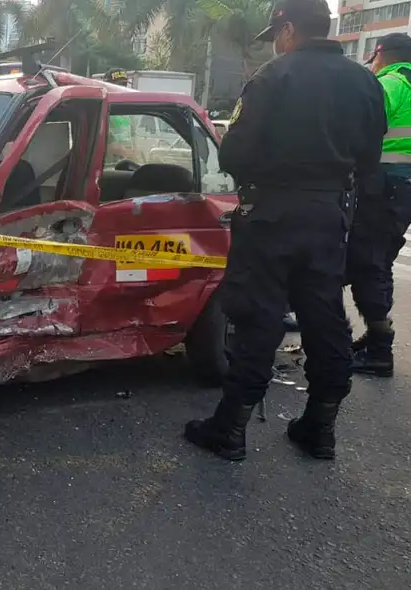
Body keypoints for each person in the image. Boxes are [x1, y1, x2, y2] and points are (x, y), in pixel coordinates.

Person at [183, 0, 388, 461]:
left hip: (271, 215)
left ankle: (230, 429)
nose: (275, 44)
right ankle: (321, 427)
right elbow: (369, 160)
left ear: (289, 29)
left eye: (276, 35)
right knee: (325, 318)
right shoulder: (365, 82)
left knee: (258, 319)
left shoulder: (273, 77)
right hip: (329, 216)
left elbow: (233, 155)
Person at [346, 33, 411, 377]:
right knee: (378, 260)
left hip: (384, 186)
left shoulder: (390, 83)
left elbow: (359, 125)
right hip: (400, 189)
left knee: (369, 263)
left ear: (380, 54)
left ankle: (380, 350)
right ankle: (376, 336)